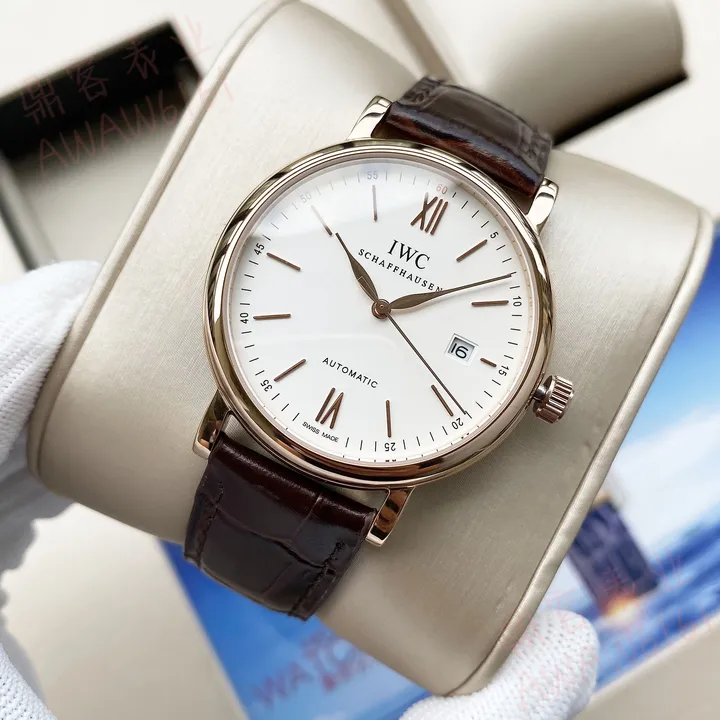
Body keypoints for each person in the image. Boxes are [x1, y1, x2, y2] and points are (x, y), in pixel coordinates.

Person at [0, 262, 599, 719]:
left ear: (539, 392)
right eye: (376, 296)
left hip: (311, 452)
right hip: (262, 428)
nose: (382, 307)